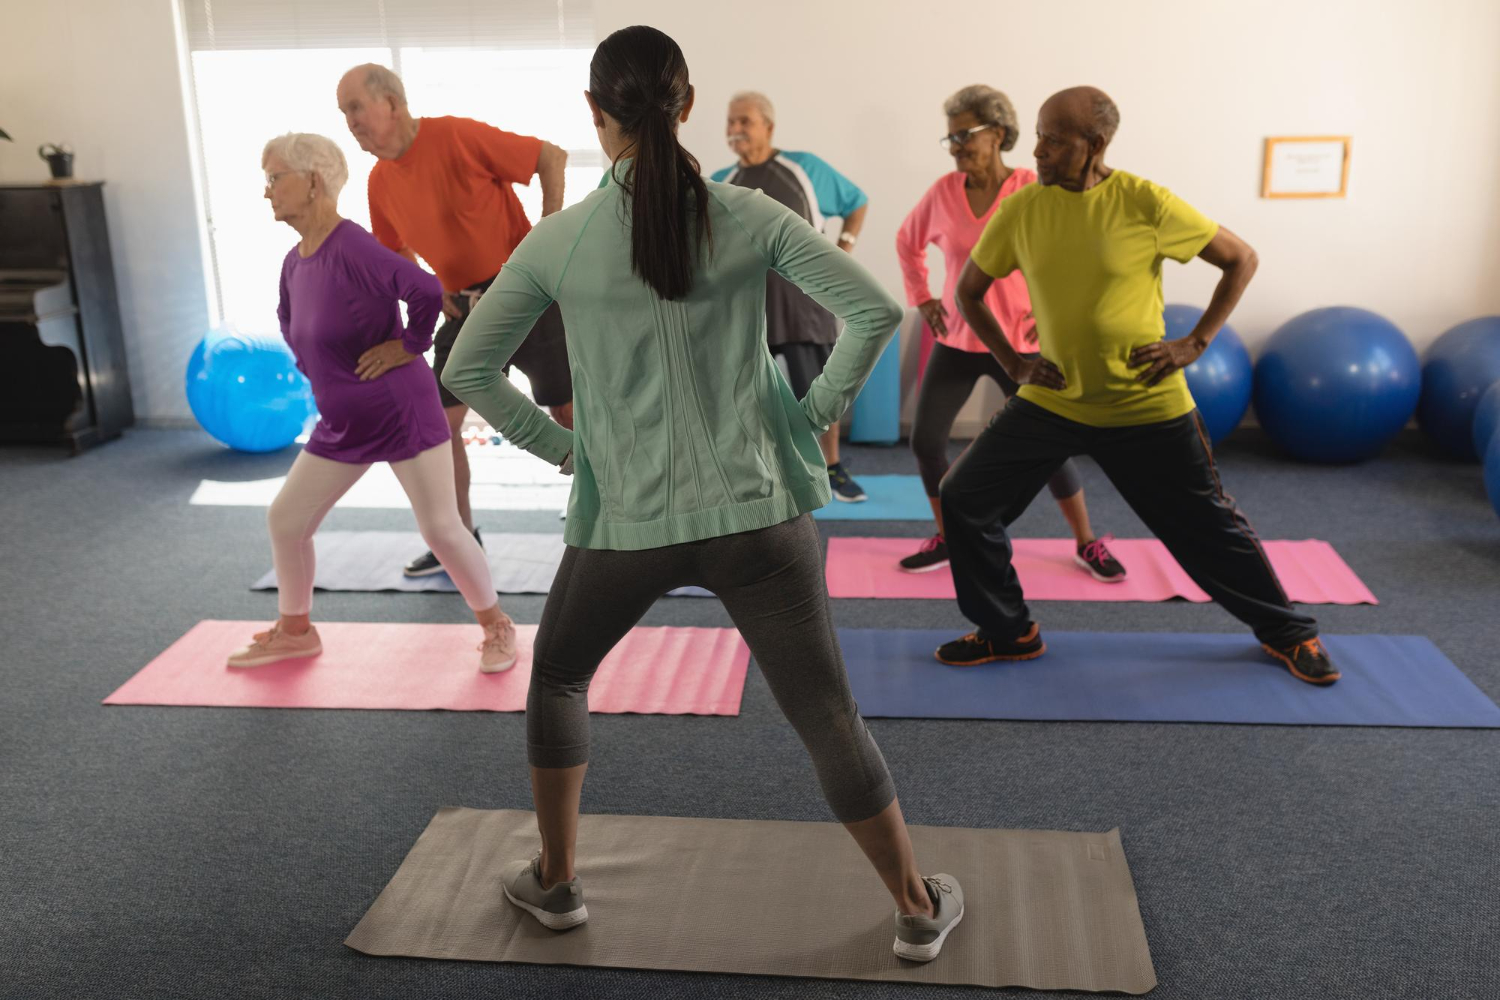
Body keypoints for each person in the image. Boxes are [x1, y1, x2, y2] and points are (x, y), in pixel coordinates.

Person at [443, 26, 964, 961]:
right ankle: (916, 904)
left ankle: (557, 886)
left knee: (559, 675)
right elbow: (874, 311)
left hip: (626, 524)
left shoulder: (557, 241)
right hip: (761, 516)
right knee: (827, 715)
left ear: (596, 118)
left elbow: (469, 370)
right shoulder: (749, 217)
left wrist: (564, 450)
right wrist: (809, 419)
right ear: (687, 108)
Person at [935, 87, 1339, 685]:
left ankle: (1290, 632)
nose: (1038, 149)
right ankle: (1007, 630)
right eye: (1040, 134)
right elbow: (969, 291)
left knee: (1207, 528)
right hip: (1054, 397)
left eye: (1053, 138)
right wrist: (1015, 364)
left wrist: (1195, 342)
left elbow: (1239, 258)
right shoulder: (1022, 209)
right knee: (964, 496)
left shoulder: (1144, 201)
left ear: (1094, 145)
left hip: (1144, 401)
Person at [228, 133, 516, 673]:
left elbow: (426, 289)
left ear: (313, 181)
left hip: (398, 410)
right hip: (342, 422)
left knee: (440, 528)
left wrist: (408, 345)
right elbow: (291, 323)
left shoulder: (351, 246)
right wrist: (319, 374)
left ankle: (497, 626)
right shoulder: (296, 261)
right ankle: (296, 631)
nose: (266, 192)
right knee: (287, 520)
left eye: (274, 178)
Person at [335, 63, 573, 576]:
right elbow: (393, 254)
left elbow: (550, 157)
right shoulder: (379, 181)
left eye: (356, 108)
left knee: (570, 415)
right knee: (441, 428)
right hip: (463, 309)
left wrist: (548, 238)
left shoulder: (455, 136)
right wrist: (430, 288)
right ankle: (461, 540)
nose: (350, 122)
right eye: (344, 113)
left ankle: (618, 519)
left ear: (392, 104)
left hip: (524, 293)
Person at [895, 85, 1124, 580]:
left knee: (1050, 449)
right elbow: (907, 242)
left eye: (965, 135)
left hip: (1021, 344)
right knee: (926, 441)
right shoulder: (941, 193)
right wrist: (924, 297)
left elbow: (1076, 248)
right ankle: (950, 537)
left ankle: (1087, 541)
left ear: (998, 134)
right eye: (950, 137)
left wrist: (1057, 309)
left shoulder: (1031, 186)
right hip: (958, 339)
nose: (956, 145)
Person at [710, 91, 872, 502]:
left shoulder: (804, 168)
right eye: (730, 122)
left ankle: (832, 467)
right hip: (747, 310)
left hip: (805, 306)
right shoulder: (721, 182)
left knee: (821, 389)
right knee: (742, 393)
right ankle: (751, 472)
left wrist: (844, 248)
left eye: (744, 121)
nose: (735, 130)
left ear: (769, 125)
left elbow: (856, 202)